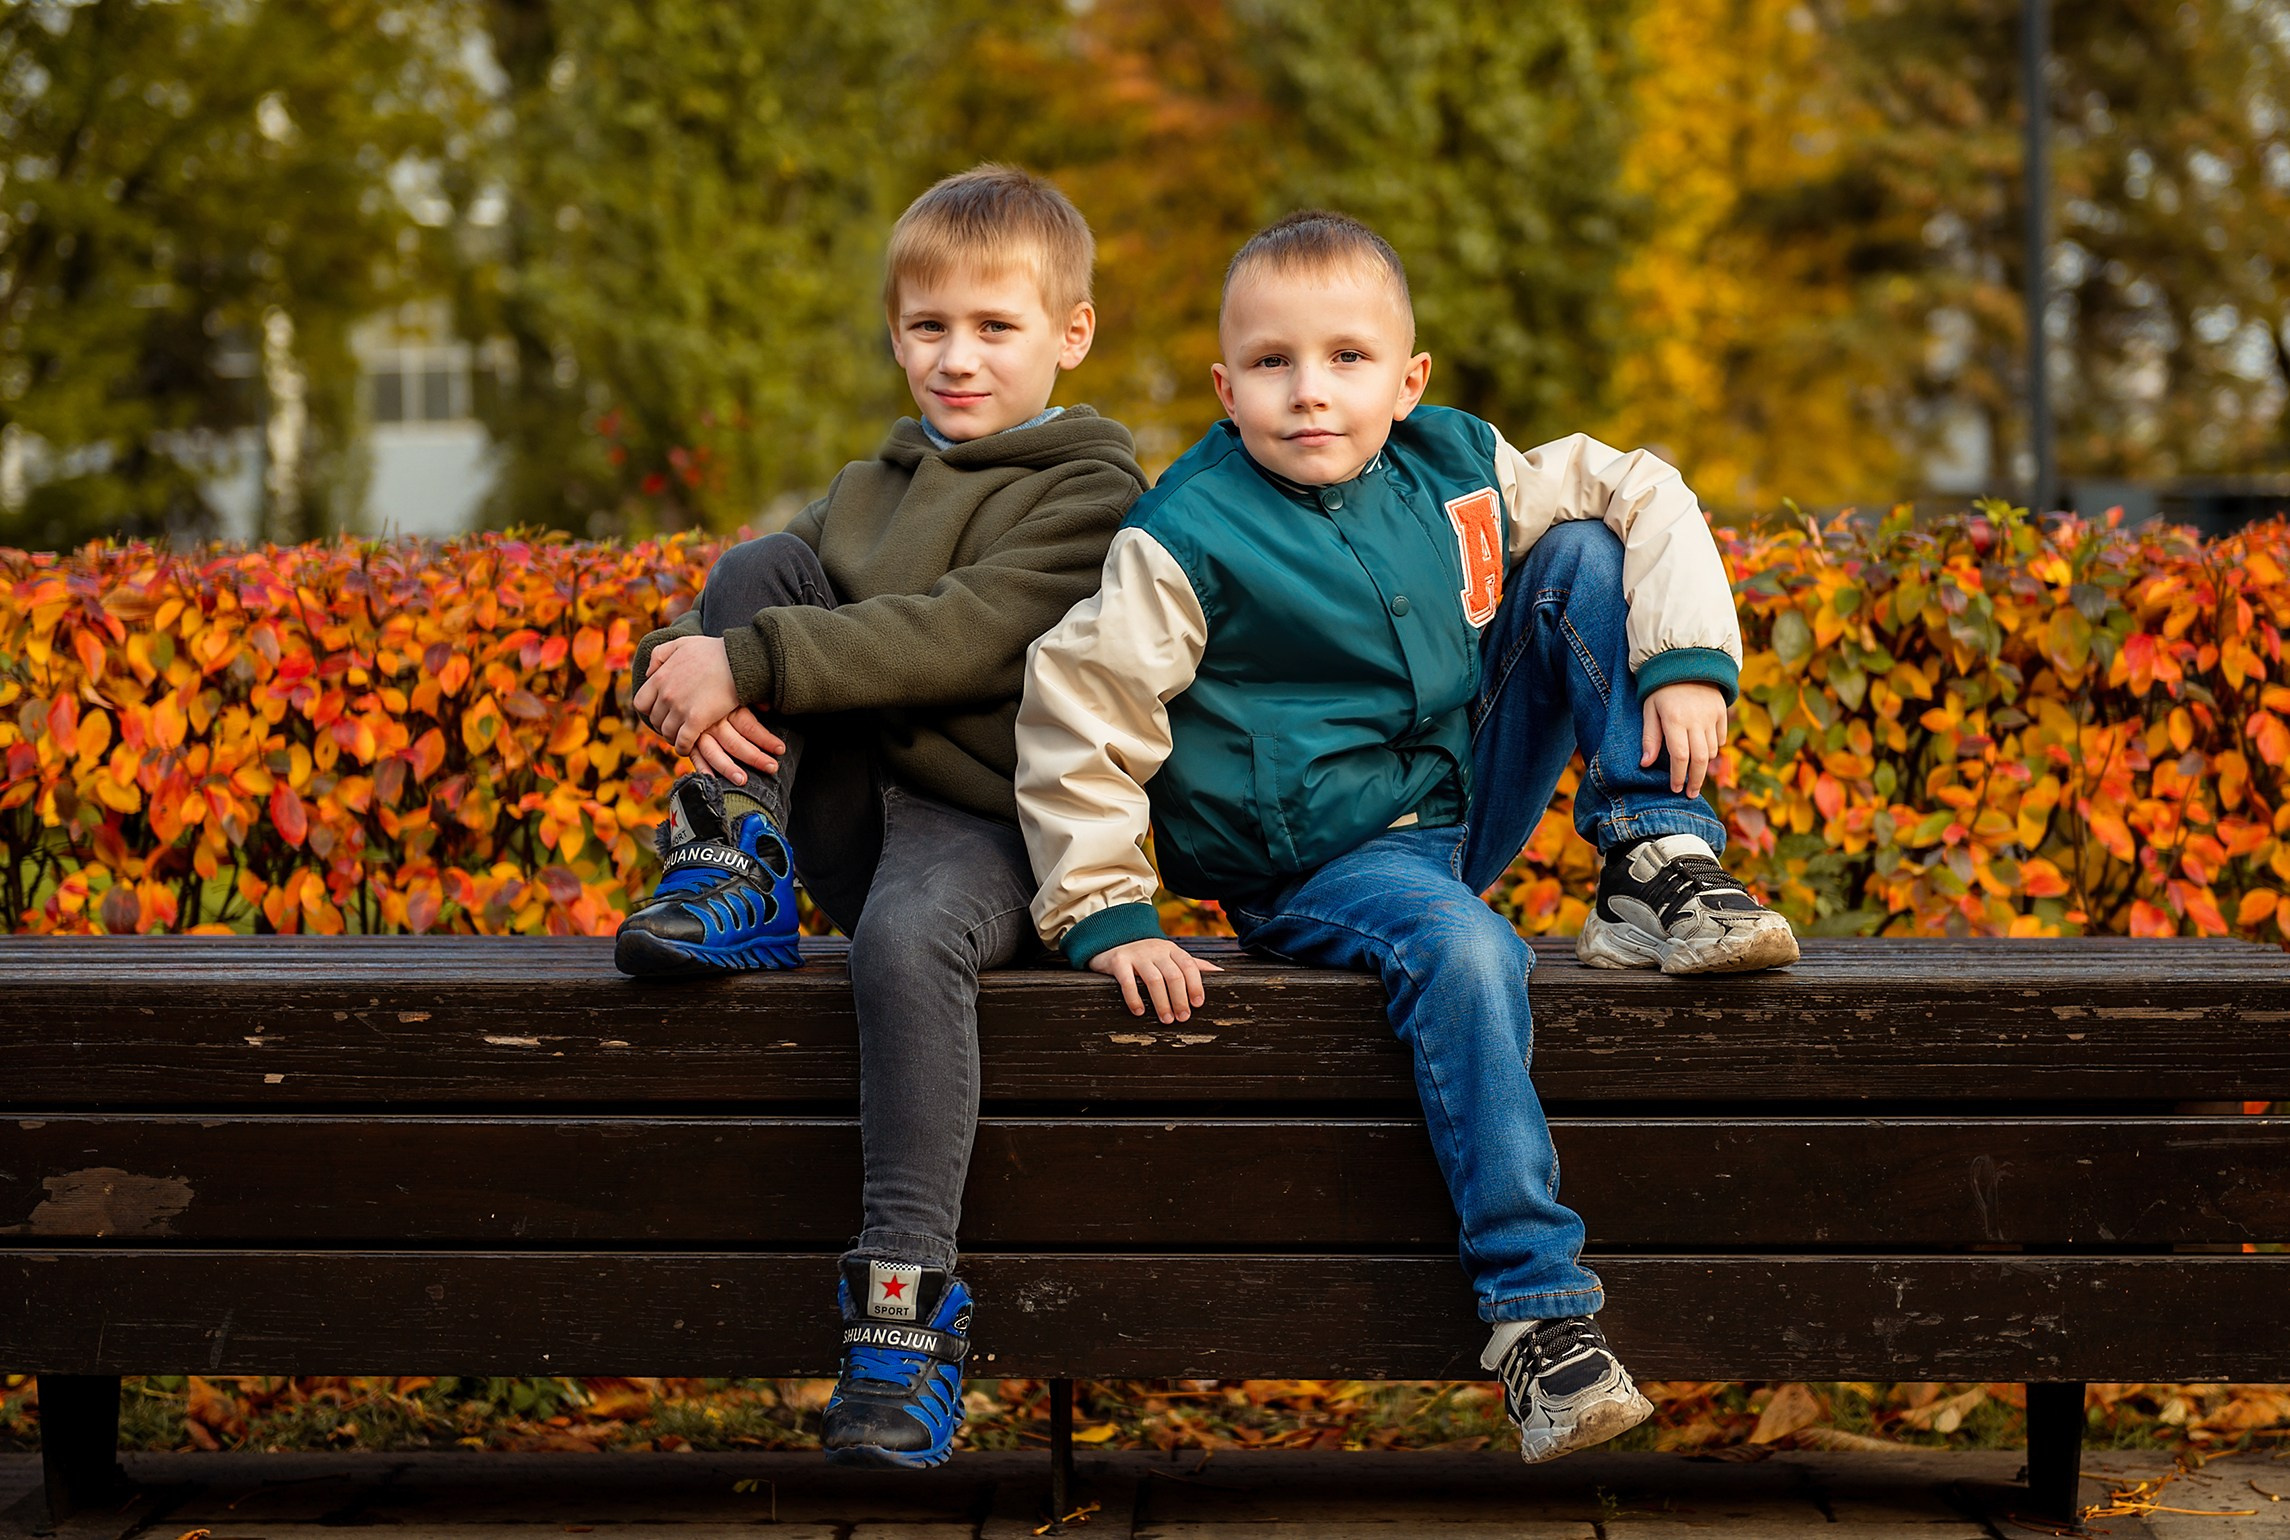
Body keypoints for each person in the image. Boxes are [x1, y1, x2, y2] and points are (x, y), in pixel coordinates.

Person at [1014, 210, 1798, 1464]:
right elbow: (1083, 703)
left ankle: (1654, 853)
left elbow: (1641, 483)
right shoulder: (1189, 531)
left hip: (1454, 793)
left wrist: (1686, 662)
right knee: (1472, 952)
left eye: (1345, 359)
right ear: (1224, 386)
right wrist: (1108, 910)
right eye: (1271, 363)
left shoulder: (1453, 461)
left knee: (1587, 548)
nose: (1309, 392)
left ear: (1407, 378)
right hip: (1319, 862)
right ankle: (1536, 1320)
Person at [617, 165, 1147, 1468]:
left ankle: (903, 1309)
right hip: (864, 813)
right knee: (758, 568)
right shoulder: (876, 482)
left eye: (993, 327)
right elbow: (740, 616)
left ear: (1068, 336)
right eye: (927, 328)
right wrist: (674, 660)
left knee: (906, 945)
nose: (955, 358)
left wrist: (743, 662)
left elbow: (964, 637)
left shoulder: (1092, 490)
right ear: (894, 332)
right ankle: (726, 868)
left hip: (992, 834)